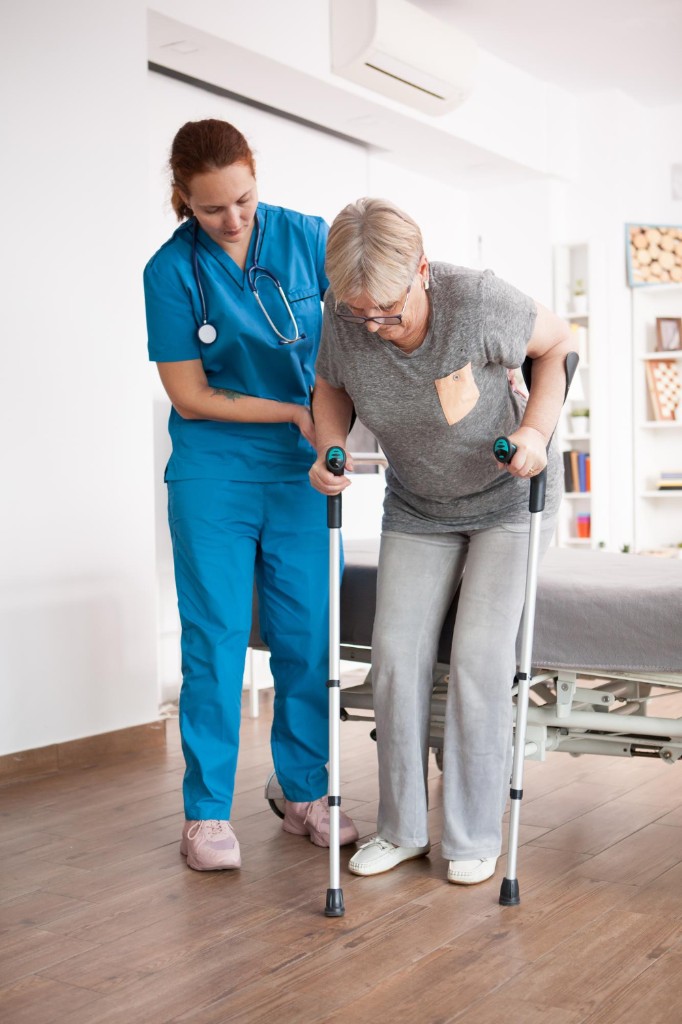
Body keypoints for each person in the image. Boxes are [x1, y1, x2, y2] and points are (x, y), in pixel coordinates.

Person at [309, 198, 574, 886]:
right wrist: (330, 447)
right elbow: (330, 386)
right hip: (418, 505)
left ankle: (471, 836)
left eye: (389, 312)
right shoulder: (348, 317)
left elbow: (560, 343)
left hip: (506, 500)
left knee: (481, 660)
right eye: (361, 312)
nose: (376, 327)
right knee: (394, 657)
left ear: (423, 271)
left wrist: (536, 434)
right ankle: (401, 828)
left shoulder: (477, 300)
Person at [143, 119, 358, 871]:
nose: (232, 220)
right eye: (211, 209)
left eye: (242, 199)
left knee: (308, 638)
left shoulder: (308, 238)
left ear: (256, 176)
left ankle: (303, 791)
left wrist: (336, 421)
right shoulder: (170, 274)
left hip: (304, 470)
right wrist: (295, 410)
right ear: (183, 201)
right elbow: (190, 394)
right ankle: (205, 814)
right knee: (217, 638)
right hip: (216, 471)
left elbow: (361, 332)